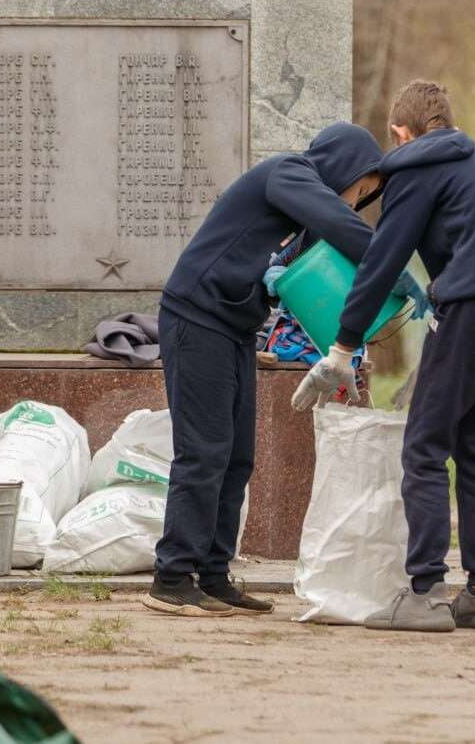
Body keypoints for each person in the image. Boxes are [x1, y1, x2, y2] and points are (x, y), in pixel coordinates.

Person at [292, 81, 475, 633]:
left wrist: (343, 346)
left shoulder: (414, 169)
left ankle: (426, 593)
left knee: (425, 447)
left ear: (399, 133)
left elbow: (381, 264)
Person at [145, 122, 387, 618]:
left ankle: (213, 575)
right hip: (196, 318)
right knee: (204, 451)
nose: (354, 203)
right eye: (359, 189)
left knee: (236, 458)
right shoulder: (288, 173)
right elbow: (342, 228)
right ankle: (171, 577)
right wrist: (391, 262)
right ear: (343, 166)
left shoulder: (303, 216)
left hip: (234, 328)